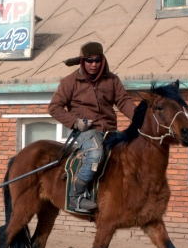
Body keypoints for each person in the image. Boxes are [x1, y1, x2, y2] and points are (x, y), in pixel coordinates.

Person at [48, 42, 136, 212]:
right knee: (95, 155)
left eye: (97, 60)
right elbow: (54, 108)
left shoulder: (112, 80)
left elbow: (124, 101)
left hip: (110, 130)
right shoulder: (70, 81)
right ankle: (76, 197)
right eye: (89, 60)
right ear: (82, 61)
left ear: (102, 60)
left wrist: (139, 117)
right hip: (86, 131)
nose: (93, 64)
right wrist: (75, 122)